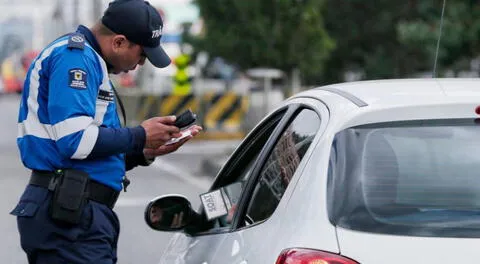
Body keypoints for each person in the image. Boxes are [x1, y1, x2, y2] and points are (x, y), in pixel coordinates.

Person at [9, 0, 202, 263]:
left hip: (76, 215)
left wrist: (142, 151)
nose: (141, 64)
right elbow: (74, 142)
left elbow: (88, 150)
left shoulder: (89, 60)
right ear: (119, 42)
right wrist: (139, 135)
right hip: (68, 219)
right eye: (142, 55)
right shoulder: (74, 58)